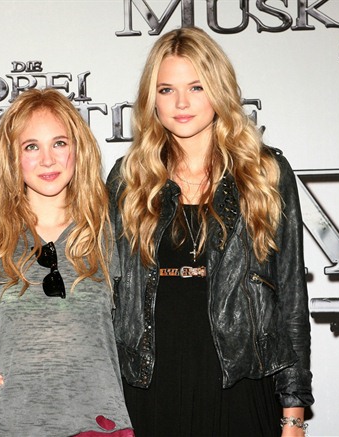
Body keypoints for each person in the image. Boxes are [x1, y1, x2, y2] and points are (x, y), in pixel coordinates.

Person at [107, 27, 313, 436]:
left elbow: (290, 299)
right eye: (167, 90)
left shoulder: (264, 174)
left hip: (239, 380)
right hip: (150, 383)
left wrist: (293, 414)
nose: (181, 103)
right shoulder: (128, 180)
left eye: (196, 87)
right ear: (152, 99)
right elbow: (105, 294)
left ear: (219, 90)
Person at [0, 88, 133, 436]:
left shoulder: (110, 236)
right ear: (12, 157)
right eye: (31, 146)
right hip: (12, 427)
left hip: (98, 425)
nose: (47, 160)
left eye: (59, 143)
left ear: (78, 149)